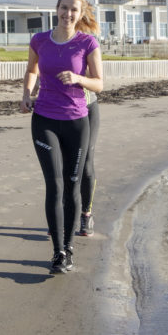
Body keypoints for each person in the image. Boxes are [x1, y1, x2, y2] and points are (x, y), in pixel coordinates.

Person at [20, 0, 103, 274]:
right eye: (64, 7)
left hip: (77, 122)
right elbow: (32, 70)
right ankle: (58, 251)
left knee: (72, 184)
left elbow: (99, 83)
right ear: (57, 9)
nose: (68, 13)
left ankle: (69, 248)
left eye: (74, 9)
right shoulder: (39, 40)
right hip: (44, 119)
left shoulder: (87, 43)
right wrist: (27, 94)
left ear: (80, 14)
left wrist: (79, 78)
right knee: (54, 185)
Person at [77, 90, 99, 237]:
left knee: (86, 165)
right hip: (61, 110)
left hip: (88, 106)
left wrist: (77, 79)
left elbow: (98, 85)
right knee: (63, 164)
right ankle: (63, 214)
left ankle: (86, 214)